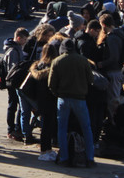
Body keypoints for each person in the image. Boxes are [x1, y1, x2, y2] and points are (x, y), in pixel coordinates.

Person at [48, 38, 96, 168]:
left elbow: (51, 83)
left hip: (63, 98)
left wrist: (57, 93)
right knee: (86, 128)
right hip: (80, 98)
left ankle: (64, 157)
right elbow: (91, 79)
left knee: (62, 129)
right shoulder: (83, 60)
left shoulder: (57, 61)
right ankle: (90, 158)